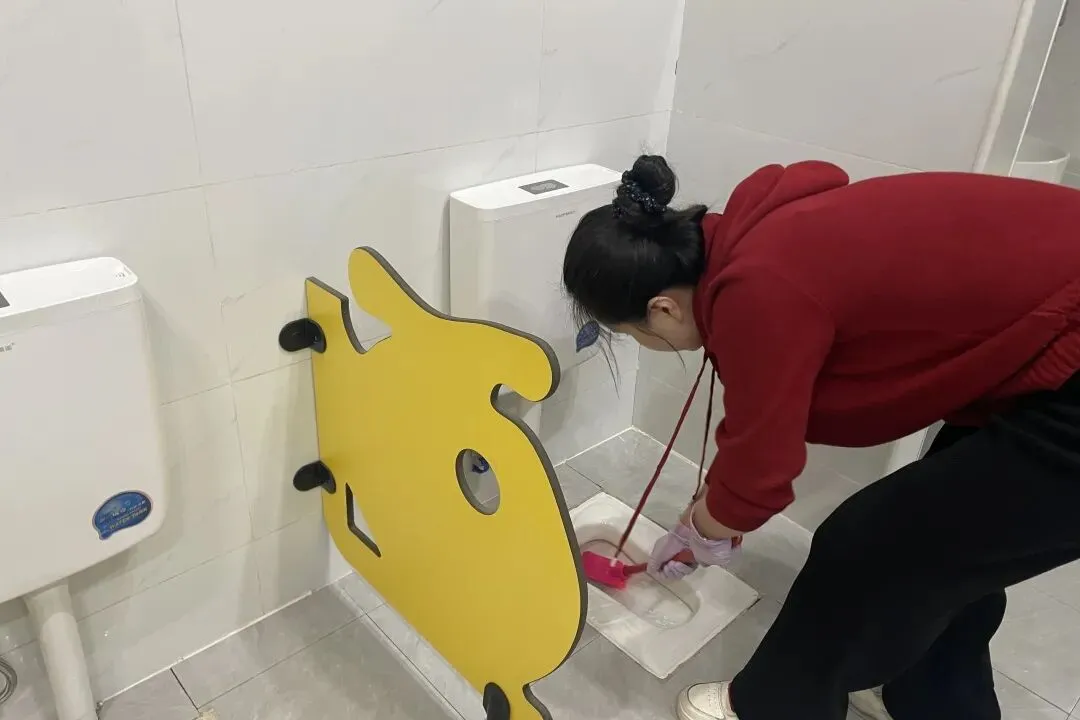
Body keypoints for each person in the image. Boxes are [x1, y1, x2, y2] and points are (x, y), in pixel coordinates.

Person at [561, 154, 1080, 720]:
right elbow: (760, 425)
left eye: (633, 335)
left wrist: (703, 530)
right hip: (1054, 344)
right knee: (948, 549)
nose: (648, 345)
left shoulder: (758, 290)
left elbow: (760, 472)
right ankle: (928, 696)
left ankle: (772, 708)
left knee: (866, 547)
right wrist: (710, 511)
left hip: (1069, 357)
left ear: (661, 309)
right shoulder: (750, 238)